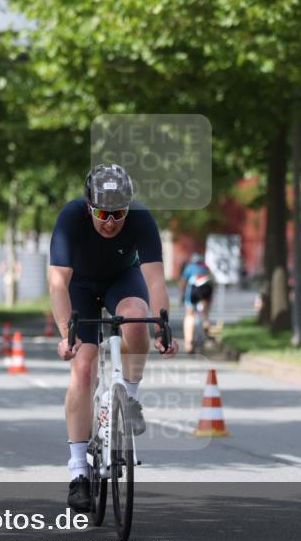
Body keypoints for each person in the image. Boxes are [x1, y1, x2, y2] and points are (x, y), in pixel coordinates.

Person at [48, 163, 179, 512]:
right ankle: (78, 470)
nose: (110, 221)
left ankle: (130, 398)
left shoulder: (141, 218)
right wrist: (67, 336)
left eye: (118, 213)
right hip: (78, 285)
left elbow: (155, 282)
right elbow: (58, 282)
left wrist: (162, 327)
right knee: (84, 367)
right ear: (89, 206)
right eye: (102, 213)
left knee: (136, 317)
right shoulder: (71, 217)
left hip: (122, 280)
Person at [179, 252, 213, 353]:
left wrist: (182, 294)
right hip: (206, 291)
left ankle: (188, 344)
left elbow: (183, 283)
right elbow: (212, 284)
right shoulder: (206, 268)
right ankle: (206, 324)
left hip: (193, 292)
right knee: (204, 314)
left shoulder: (189, 268)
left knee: (189, 316)